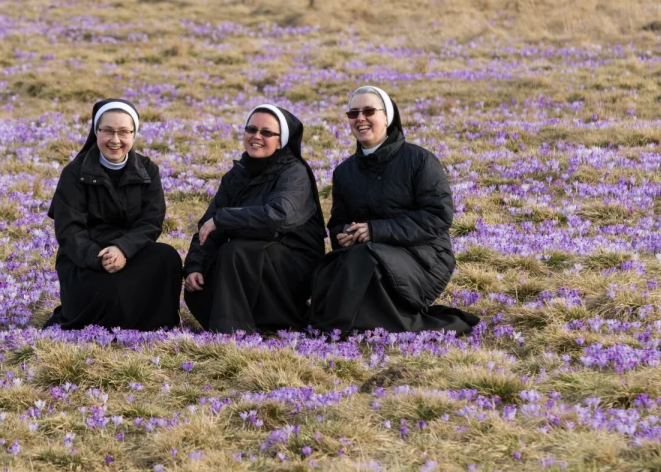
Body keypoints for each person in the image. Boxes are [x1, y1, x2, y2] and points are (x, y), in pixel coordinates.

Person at [309, 85, 479, 336]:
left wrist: (376, 231)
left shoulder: (419, 160)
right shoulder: (344, 172)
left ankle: (337, 327)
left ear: (387, 117)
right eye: (353, 113)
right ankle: (356, 325)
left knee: (363, 257)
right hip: (369, 254)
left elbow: (438, 216)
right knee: (333, 263)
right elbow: (338, 222)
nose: (360, 119)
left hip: (425, 257)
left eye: (369, 111)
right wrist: (344, 234)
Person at [183, 104, 327, 334]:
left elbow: (279, 218)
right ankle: (245, 326)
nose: (256, 136)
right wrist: (194, 266)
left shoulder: (294, 172)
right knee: (204, 279)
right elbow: (207, 227)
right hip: (254, 258)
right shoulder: (237, 175)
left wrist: (224, 219)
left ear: (281, 141)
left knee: (236, 252)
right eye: (251, 129)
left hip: (293, 263)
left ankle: (232, 332)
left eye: (267, 133)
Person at [45, 99, 182, 330]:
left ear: (133, 134)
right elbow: (70, 231)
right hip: (85, 260)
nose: (115, 140)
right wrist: (99, 258)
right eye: (107, 131)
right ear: (96, 131)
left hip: (129, 253)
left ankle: (155, 325)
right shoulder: (74, 173)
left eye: (123, 132)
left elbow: (151, 221)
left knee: (167, 258)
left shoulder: (148, 170)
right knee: (110, 290)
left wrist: (123, 249)